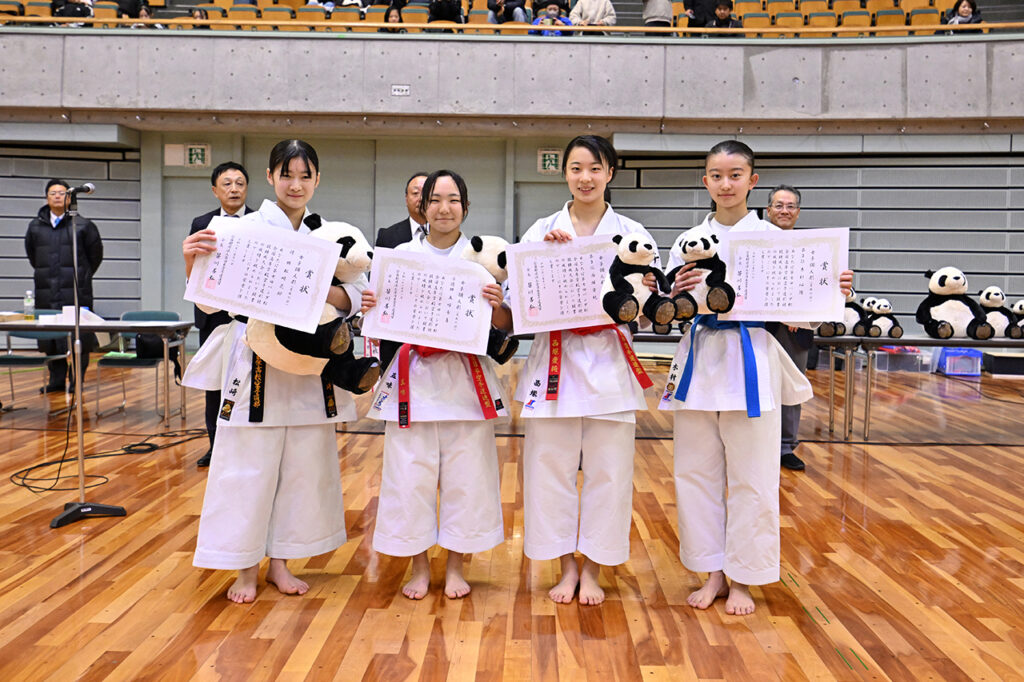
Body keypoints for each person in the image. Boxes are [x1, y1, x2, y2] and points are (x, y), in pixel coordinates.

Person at [660, 141, 853, 616]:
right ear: (705, 181)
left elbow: (806, 314)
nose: (725, 184)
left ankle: (744, 575)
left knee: (754, 476)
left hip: (753, 358)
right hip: (699, 360)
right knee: (695, 473)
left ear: (753, 180)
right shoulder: (687, 240)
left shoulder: (776, 239)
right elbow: (664, 310)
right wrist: (670, 292)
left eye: (735, 175)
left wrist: (834, 290)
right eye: (716, 175)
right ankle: (711, 571)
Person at [181, 140, 363, 604]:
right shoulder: (240, 230)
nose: (295, 185)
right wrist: (191, 261)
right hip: (255, 360)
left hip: (307, 366)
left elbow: (357, 296)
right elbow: (208, 301)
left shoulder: (331, 234)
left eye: (305, 176)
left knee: (301, 467)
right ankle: (244, 567)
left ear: (317, 179)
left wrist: (316, 286)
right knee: (246, 468)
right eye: (287, 175)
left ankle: (281, 562)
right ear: (269, 177)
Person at [507, 135, 657, 605]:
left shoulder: (633, 233)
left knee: (608, 474)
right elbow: (517, 300)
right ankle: (565, 567)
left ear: (610, 173)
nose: (585, 177)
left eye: (594, 168)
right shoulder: (541, 230)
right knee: (548, 471)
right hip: (554, 363)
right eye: (576, 168)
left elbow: (648, 310)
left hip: (611, 366)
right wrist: (546, 257)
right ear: (565, 173)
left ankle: (593, 568)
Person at [361, 169, 509, 600]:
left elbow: (505, 326)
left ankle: (457, 566)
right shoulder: (400, 256)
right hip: (413, 381)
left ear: (466, 206)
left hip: (466, 382)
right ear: (421, 206)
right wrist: (370, 304)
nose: (445, 208)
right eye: (436, 200)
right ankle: (420, 566)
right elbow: (378, 316)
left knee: (468, 477)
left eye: (453, 199)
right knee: (409, 478)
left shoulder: (483, 259)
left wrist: (499, 305)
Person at [186, 162, 254, 469]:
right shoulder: (202, 223)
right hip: (212, 318)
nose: (234, 189)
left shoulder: (259, 222)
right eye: (227, 184)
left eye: (240, 183)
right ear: (215, 190)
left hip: (249, 318)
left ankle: (247, 448)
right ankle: (215, 447)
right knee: (214, 385)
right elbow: (194, 268)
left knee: (250, 382)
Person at [24, 179, 103, 394]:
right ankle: (56, 381)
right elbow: (33, 256)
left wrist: (81, 277)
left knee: (79, 337)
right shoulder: (35, 227)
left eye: (62, 193)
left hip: (77, 291)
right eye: (53, 193)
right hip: (46, 291)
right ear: (46, 198)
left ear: (70, 198)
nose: (58, 196)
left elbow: (95, 257)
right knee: (50, 338)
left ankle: (77, 381)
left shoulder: (83, 225)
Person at [764, 185, 811, 472]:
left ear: (798, 212)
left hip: (797, 328)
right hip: (758, 326)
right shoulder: (754, 242)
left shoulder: (811, 246)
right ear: (768, 210)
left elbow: (817, 288)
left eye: (790, 206)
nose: (785, 211)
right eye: (779, 205)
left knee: (791, 386)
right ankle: (757, 444)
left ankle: (785, 447)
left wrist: (799, 316)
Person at [374, 171, 429, 370]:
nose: (420, 198)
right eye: (415, 193)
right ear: (406, 198)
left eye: (426, 193)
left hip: (433, 335)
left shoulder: (448, 238)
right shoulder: (387, 236)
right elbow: (377, 285)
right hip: (395, 334)